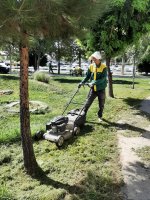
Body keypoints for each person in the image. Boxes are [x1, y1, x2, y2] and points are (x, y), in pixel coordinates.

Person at [78, 51, 107, 122]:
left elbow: (103, 79)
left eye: (94, 59)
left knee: (101, 104)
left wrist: (93, 82)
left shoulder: (104, 67)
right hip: (93, 89)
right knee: (87, 103)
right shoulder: (91, 66)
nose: (93, 60)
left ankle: (100, 116)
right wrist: (82, 82)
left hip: (101, 89)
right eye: (92, 59)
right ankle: (82, 116)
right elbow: (87, 76)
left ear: (98, 59)